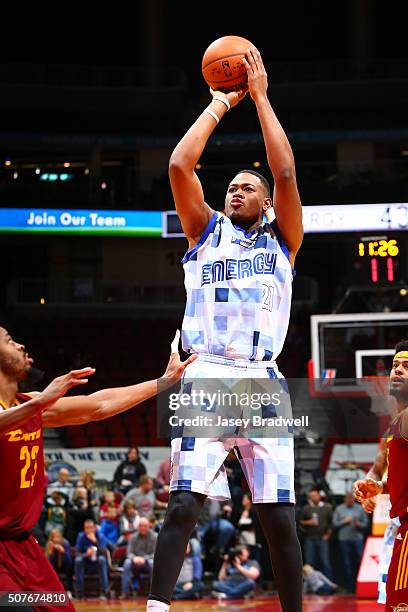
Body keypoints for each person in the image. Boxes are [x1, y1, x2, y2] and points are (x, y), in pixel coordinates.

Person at [147, 46, 303, 612]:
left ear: (266, 204)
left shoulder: (282, 240)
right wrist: (217, 104)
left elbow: (284, 170)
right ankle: (156, 608)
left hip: (263, 380)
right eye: (232, 185)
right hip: (206, 374)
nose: (236, 190)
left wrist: (260, 98)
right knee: (184, 505)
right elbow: (178, 167)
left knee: (278, 518)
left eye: (247, 187)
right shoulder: (203, 229)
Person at [0, 326, 195, 610]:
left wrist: (164, 382)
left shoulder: (29, 406)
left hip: (24, 550)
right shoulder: (33, 406)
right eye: (8, 340)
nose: (19, 345)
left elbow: (98, 405)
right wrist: (41, 400)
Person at [353, 342, 408, 610]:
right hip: (399, 524)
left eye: (406, 367)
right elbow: (389, 473)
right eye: (395, 366)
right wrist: (377, 486)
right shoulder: (395, 426)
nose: (397, 370)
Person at [332, 492, 368, 592]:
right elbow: (334, 524)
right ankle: (350, 587)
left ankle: (360, 586)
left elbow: (366, 525)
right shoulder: (339, 509)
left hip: (357, 539)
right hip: (343, 539)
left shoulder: (360, 508)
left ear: (354, 499)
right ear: (345, 500)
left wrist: (358, 524)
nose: (349, 501)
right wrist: (344, 521)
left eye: (351, 499)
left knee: (359, 562)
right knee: (346, 563)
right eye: (348, 499)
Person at [299, 489, 333, 580]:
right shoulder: (306, 508)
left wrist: (328, 534)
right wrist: (308, 522)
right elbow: (300, 522)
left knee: (325, 561)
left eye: (315, 495)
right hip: (310, 538)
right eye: (311, 496)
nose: (313, 498)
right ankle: (310, 584)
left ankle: (329, 584)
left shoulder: (327, 507)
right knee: (309, 562)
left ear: (319, 496)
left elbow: (331, 522)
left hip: (322, 537)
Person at [121, 517, 157, 599]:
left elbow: (155, 554)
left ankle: (154, 593)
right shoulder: (133, 537)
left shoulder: (155, 537)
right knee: (127, 563)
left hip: (148, 561)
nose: (143, 528)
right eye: (141, 526)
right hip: (135, 562)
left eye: (145, 526)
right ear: (138, 527)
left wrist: (144, 558)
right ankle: (125, 592)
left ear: (149, 526)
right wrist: (134, 558)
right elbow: (128, 553)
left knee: (153, 563)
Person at [74, 518, 109, 600]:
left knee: (102, 560)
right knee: (78, 560)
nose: (89, 530)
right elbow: (76, 553)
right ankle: (79, 592)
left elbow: (104, 553)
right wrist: (86, 554)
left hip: (97, 563)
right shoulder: (81, 536)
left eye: (91, 527)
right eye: (86, 528)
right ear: (84, 529)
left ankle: (104, 592)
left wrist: (95, 541)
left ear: (94, 528)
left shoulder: (100, 536)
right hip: (86, 562)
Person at [46, 528, 73, 594]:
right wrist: (51, 552)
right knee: (49, 567)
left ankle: (69, 590)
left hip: (64, 566)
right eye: (54, 537)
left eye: (58, 537)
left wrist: (63, 552)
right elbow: (47, 561)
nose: (56, 539)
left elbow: (69, 559)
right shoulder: (49, 544)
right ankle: (52, 590)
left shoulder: (65, 543)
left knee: (68, 563)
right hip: (54, 566)